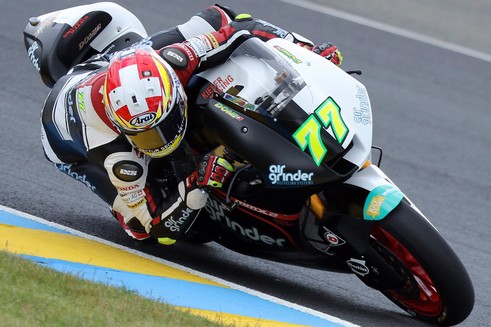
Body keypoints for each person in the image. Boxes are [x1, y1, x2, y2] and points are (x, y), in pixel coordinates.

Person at [38, 4, 343, 244]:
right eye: (146, 137)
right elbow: (152, 227)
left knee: (213, 22)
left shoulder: (175, 60)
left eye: (164, 125)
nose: (160, 140)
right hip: (71, 144)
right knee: (144, 231)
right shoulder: (110, 148)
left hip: (124, 68)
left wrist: (304, 49)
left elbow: (238, 26)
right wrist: (196, 184)